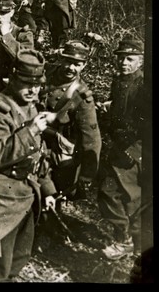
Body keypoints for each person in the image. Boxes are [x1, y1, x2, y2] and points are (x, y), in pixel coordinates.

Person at [0, 49, 58, 282]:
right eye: (27, 84)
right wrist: (31, 131)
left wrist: (47, 189)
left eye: (37, 85)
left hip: (26, 196)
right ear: (13, 79)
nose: (33, 90)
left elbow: (37, 153)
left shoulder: (30, 106)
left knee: (16, 264)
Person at [97, 34, 145, 261]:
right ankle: (127, 240)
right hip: (117, 147)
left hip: (134, 151)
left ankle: (129, 243)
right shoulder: (118, 81)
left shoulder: (144, 86)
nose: (124, 63)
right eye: (121, 58)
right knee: (112, 193)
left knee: (131, 197)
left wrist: (136, 151)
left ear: (140, 61)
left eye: (130, 59)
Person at [40, 39, 101, 202]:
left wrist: (86, 176)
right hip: (35, 139)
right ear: (61, 59)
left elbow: (91, 137)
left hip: (58, 151)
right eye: (68, 61)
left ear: (84, 65)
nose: (71, 68)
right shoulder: (47, 72)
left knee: (53, 197)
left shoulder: (81, 95)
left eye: (77, 64)